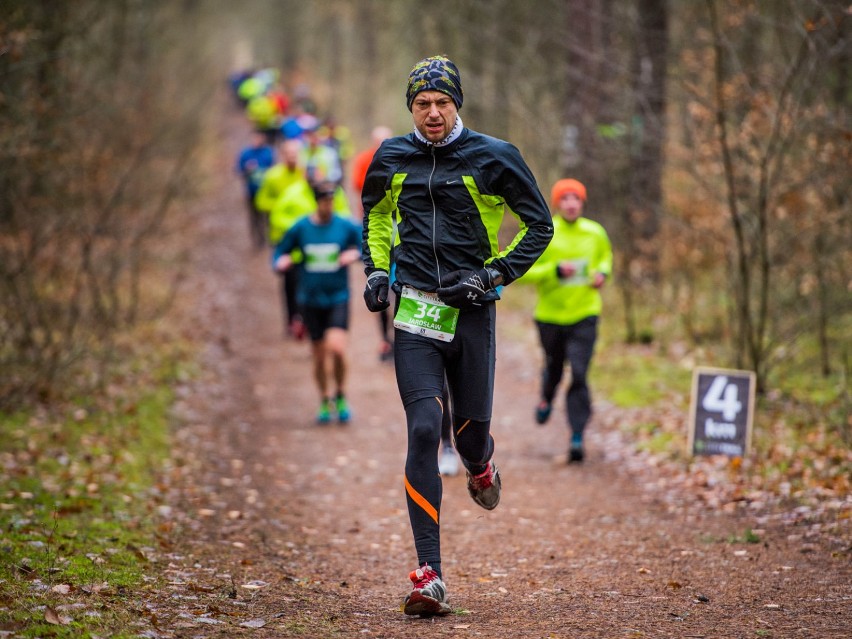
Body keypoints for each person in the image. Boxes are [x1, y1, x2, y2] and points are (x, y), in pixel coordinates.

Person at [360, 55, 553, 617]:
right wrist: (376, 271)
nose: (433, 112)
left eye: (443, 102)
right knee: (423, 430)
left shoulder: (494, 156)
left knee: (468, 440)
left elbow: (539, 224)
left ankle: (481, 464)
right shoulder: (392, 156)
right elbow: (373, 214)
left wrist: (494, 273)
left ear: (457, 104)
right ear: (410, 108)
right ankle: (429, 575)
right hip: (416, 311)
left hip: (471, 313)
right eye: (422, 104)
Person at [520, 178, 612, 463]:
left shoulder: (595, 232)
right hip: (550, 316)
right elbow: (524, 271)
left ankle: (576, 436)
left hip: (585, 314)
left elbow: (605, 259)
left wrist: (602, 275)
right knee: (555, 368)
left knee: (580, 373)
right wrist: (554, 271)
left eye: (576, 198)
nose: (571, 203)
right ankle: (546, 397)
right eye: (565, 198)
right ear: (557, 203)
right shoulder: (544, 231)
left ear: (582, 203)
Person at [273, 181, 362, 424]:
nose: (329, 205)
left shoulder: (344, 225)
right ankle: (325, 399)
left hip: (338, 297)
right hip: (310, 300)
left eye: (332, 200)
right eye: (325, 200)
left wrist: (355, 254)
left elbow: (367, 245)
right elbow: (280, 250)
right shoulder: (301, 228)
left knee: (337, 348)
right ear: (317, 201)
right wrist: (280, 262)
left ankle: (341, 394)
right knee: (319, 355)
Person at [257, 140, 310, 338]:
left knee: (306, 279)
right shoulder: (273, 176)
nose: (292, 157)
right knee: (289, 281)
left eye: (296, 153)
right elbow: (261, 201)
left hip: (307, 238)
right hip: (283, 237)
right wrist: (280, 205)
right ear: (282, 154)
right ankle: (290, 321)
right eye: (289, 153)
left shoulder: (307, 175)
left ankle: (305, 321)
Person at [351, 125, 395, 361]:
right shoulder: (364, 160)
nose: (382, 145)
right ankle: (384, 340)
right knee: (379, 285)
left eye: (386, 140)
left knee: (397, 287)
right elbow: (359, 188)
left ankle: (397, 338)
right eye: (379, 141)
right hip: (373, 225)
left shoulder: (403, 159)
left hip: (400, 233)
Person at [235, 129, 275, 249]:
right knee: (254, 217)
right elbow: (238, 170)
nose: (257, 140)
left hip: (266, 191)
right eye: (255, 138)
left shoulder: (268, 152)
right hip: (251, 191)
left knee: (268, 216)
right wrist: (246, 170)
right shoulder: (246, 153)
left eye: (260, 138)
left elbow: (273, 169)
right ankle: (257, 240)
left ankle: (270, 238)